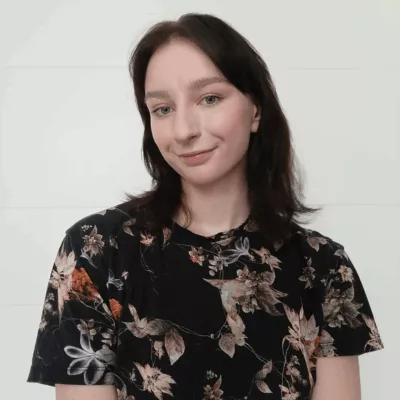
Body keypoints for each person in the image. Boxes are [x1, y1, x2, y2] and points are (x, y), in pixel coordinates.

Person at [27, 12, 384, 400]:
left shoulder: (323, 266)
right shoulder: (96, 250)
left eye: (209, 98)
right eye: (162, 109)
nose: (183, 131)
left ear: (256, 109)